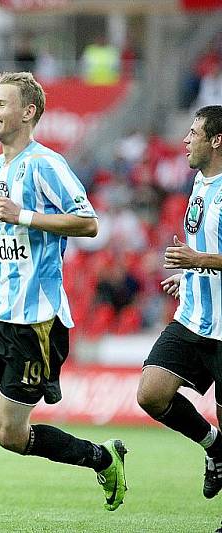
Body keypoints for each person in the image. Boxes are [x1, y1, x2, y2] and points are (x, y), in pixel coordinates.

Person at [0, 71, 126, 533]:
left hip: (36, 321)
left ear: (28, 112)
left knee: (10, 434)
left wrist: (26, 215)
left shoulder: (46, 164)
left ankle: (100, 457)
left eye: (1, 103)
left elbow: (88, 223)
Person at [137, 105, 222, 502]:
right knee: (151, 394)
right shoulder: (200, 184)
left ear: (216, 141)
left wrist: (198, 261)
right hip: (193, 318)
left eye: (194, 133)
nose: (185, 140)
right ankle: (214, 446)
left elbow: (205, 253)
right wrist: (189, 276)